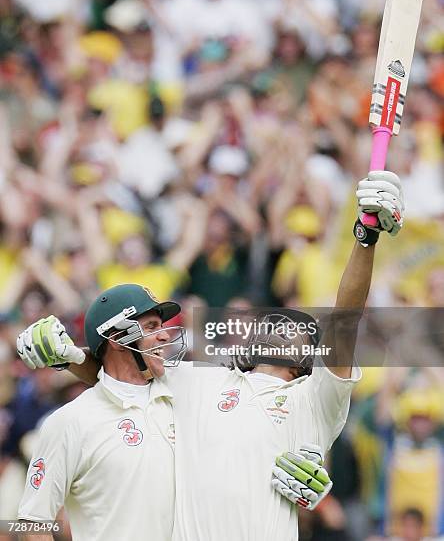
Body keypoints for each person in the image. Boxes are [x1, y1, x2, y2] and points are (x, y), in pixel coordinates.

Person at [16, 170, 404, 540]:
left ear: (308, 362)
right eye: (275, 322)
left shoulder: (314, 402)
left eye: (298, 330)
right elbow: (125, 375)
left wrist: (364, 237)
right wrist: (68, 355)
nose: (282, 327)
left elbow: (346, 318)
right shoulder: (197, 381)